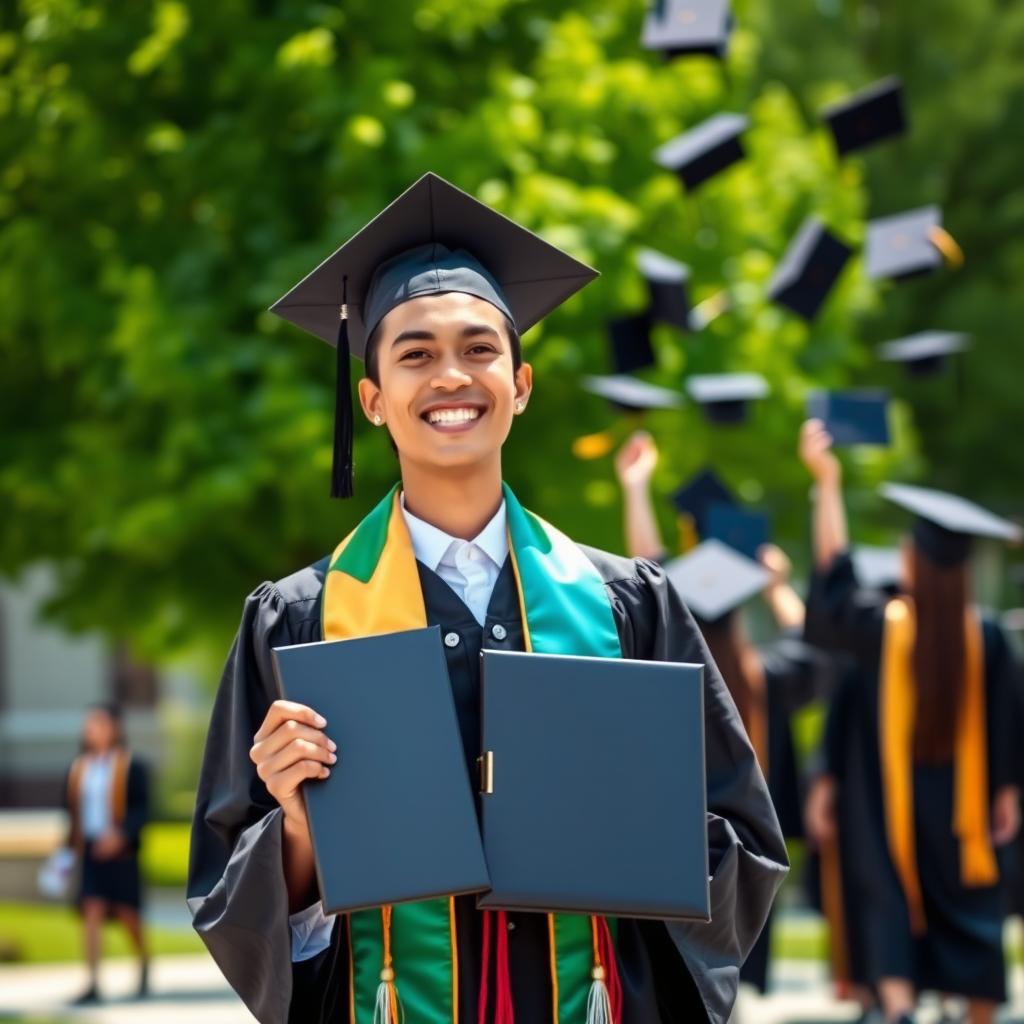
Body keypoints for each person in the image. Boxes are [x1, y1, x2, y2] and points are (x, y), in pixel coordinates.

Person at [186, 174, 788, 1024]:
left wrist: (641, 825)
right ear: (372, 400)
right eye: (415, 354)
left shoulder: (625, 606)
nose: (451, 377)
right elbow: (231, 897)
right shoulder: (299, 622)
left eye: (479, 349)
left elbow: (743, 845)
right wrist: (299, 828)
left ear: (522, 383)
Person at [799, 417, 1022, 1024]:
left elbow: (832, 581)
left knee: (890, 899)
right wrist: (1006, 792)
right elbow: (1009, 724)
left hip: (886, 808)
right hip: (961, 815)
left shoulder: (884, 629)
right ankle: (978, 1011)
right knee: (970, 906)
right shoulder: (987, 638)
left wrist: (828, 484)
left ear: (919, 564)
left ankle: (896, 1011)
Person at [613, 429, 827, 995]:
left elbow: (646, 576)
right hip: (737, 855)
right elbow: (812, 647)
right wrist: (778, 587)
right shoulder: (762, 681)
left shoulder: (668, 676)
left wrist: (635, 489)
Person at [65, 701, 150, 1004]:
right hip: (89, 850)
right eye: (90, 724)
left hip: (121, 852)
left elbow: (142, 810)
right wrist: (66, 853)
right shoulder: (79, 768)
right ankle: (92, 981)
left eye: (100, 723)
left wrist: (121, 835)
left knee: (128, 915)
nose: (94, 730)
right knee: (92, 909)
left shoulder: (130, 766)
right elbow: (72, 813)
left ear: (115, 727)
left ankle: (143, 962)